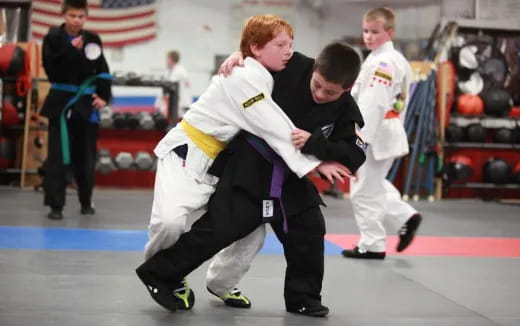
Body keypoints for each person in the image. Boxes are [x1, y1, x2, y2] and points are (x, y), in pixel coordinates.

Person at [136, 41, 366, 317]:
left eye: (330, 92)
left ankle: (303, 298)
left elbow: (355, 152)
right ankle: (160, 275)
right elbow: (254, 60)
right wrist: (239, 57)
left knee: (309, 229)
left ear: (347, 89)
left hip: (293, 175)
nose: (319, 94)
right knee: (220, 228)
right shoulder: (292, 66)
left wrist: (318, 145)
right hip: (250, 163)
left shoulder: (346, 108)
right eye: (317, 85)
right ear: (315, 68)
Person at [342, 7, 422, 260]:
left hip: (375, 132)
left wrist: (359, 140)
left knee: (363, 191)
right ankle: (405, 216)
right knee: (374, 185)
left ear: (389, 32)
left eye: (374, 31)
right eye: (365, 30)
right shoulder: (390, 59)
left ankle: (373, 244)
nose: (368, 36)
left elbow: (374, 104)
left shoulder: (383, 63)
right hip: (388, 129)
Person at [40, 0, 111, 220]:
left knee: (86, 156)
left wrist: (104, 97)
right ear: (64, 15)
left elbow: (103, 71)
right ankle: (55, 206)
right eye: (72, 16)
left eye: (81, 16)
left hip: (85, 105)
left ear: (86, 17)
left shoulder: (93, 40)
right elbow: (52, 71)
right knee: (57, 156)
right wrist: (70, 51)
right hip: (60, 103)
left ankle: (85, 200)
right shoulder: (53, 38)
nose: (76, 21)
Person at [166, 50, 190, 117]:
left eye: (167, 58)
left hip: (180, 103)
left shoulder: (177, 71)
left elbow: (170, 86)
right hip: (184, 102)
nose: (167, 61)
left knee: (177, 123)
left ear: (171, 59)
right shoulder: (181, 69)